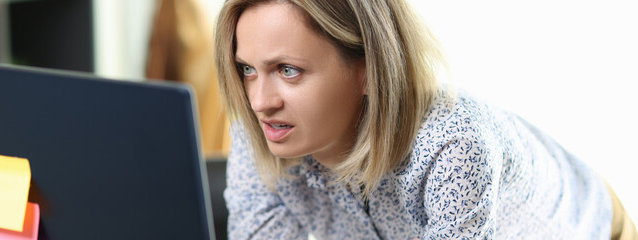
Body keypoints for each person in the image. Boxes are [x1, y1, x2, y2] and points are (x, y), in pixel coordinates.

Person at [213, 0, 636, 239]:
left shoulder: (453, 145)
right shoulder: (262, 129)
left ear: (369, 70)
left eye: (288, 70)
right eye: (248, 69)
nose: (260, 101)